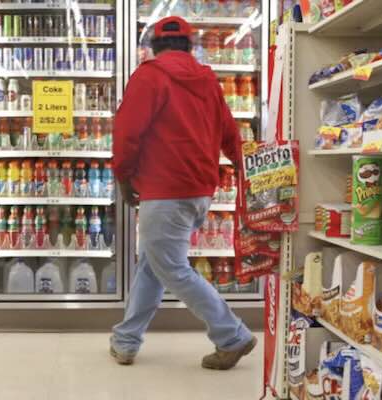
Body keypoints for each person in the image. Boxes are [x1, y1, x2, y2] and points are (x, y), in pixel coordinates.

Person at [110, 16, 256, 371]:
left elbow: (127, 133)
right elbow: (230, 133)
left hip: (165, 191)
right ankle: (126, 341)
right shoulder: (207, 80)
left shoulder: (148, 76)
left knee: (172, 268)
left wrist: (123, 177)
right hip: (200, 192)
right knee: (153, 264)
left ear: (154, 46)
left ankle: (232, 335)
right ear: (190, 46)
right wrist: (248, 169)